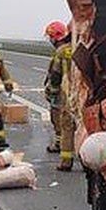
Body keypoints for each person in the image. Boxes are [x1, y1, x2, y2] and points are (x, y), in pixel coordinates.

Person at [43, 21, 75, 172]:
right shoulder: (79, 46)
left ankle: (66, 161)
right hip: (84, 93)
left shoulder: (61, 51)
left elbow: (55, 75)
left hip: (67, 94)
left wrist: (51, 92)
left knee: (66, 125)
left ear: (55, 37)